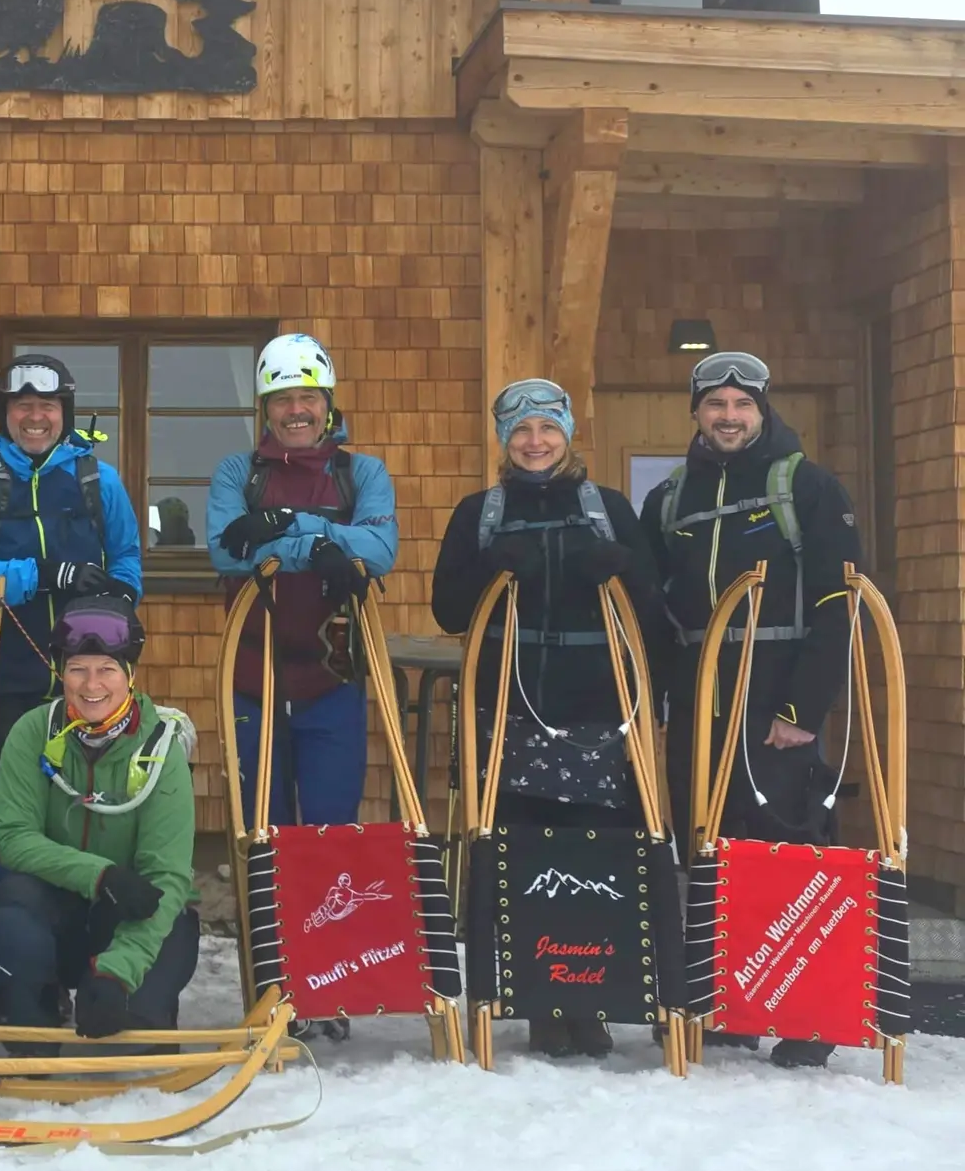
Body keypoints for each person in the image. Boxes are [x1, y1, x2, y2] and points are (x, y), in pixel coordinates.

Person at [431, 379, 669, 1059]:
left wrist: (625, 568)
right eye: (520, 431)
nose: (535, 441)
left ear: (567, 434)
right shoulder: (481, 512)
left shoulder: (609, 509)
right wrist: (487, 568)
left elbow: (652, 608)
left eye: (547, 428)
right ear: (505, 440)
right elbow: (449, 609)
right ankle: (537, 997)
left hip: (596, 709)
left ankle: (591, 997)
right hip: (510, 706)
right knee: (521, 852)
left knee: (592, 852)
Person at [641, 351, 862, 1071]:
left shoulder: (807, 486)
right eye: (715, 405)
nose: (728, 417)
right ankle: (726, 1003)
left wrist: (804, 706)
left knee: (786, 847)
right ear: (697, 413)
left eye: (742, 405)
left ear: (762, 410)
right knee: (707, 845)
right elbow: (655, 613)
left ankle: (807, 1012)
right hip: (701, 690)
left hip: (777, 694)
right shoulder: (671, 499)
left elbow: (837, 605)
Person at [0, 597, 198, 1045]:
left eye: (108, 670)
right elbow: (12, 837)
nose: (91, 684)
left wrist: (118, 972)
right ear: (61, 672)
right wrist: (99, 875)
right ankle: (36, 1019)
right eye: (78, 668)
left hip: (127, 916)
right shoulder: (32, 732)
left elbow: (169, 875)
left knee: (172, 921)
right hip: (55, 914)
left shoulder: (160, 749)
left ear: (129, 675)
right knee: (13, 905)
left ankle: (135, 1010)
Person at [207, 333, 399, 828]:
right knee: (260, 829)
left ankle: (324, 909)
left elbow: (379, 551)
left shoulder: (362, 474)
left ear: (327, 404)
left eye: (308, 397)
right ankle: (264, 910)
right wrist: (321, 549)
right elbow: (228, 553)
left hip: (332, 680)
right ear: (267, 409)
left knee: (331, 830)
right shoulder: (238, 474)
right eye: (283, 399)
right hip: (253, 676)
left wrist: (293, 525)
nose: (297, 410)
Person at [0, 354, 144, 762]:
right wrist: (44, 575)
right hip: (6, 676)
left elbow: (126, 557)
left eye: (48, 406)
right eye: (22, 406)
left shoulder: (99, 480)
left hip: (92, 678)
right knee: (13, 798)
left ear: (65, 413)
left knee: (91, 798)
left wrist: (122, 595)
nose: (36, 417)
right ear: (4, 414)